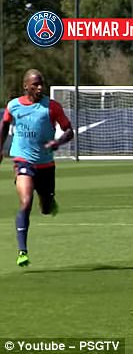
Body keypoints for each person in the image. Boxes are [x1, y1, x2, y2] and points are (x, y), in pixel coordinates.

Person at [0, 69, 74, 266]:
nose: (40, 88)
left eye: (42, 84)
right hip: (23, 161)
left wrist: (57, 143)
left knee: (46, 208)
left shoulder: (51, 107)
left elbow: (69, 131)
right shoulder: (13, 105)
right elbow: (5, 125)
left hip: (46, 165)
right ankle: (22, 251)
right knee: (26, 201)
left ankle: (49, 201)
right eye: (35, 84)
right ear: (26, 86)